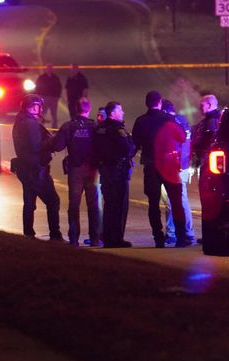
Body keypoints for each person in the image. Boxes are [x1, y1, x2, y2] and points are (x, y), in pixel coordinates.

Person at [131, 91, 187, 248]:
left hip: (150, 166)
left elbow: (134, 144)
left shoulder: (141, 121)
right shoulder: (169, 119)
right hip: (169, 166)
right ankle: (181, 237)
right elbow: (182, 137)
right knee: (176, 203)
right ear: (160, 102)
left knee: (153, 204)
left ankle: (158, 238)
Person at [11, 94, 63, 241]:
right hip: (36, 170)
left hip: (25, 168)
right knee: (53, 201)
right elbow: (35, 146)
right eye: (39, 106)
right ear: (33, 106)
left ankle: (28, 234)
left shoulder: (19, 121)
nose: (41, 109)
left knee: (29, 203)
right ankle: (55, 235)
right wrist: (50, 143)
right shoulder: (31, 123)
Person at [51, 98, 101, 246]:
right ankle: (95, 239)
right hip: (91, 170)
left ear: (75, 109)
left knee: (74, 205)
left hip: (75, 170)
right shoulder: (94, 127)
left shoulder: (68, 127)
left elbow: (58, 146)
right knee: (93, 206)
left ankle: (74, 239)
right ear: (89, 108)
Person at [93, 101, 134, 248]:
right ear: (113, 113)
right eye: (120, 110)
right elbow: (127, 149)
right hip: (118, 171)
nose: (122, 113)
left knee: (109, 204)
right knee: (119, 206)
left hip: (105, 171)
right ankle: (116, 239)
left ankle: (107, 237)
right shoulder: (117, 129)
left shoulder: (99, 129)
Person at [160, 99, 196, 245]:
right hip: (184, 165)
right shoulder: (183, 121)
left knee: (170, 201)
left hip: (172, 166)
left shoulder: (167, 123)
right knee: (182, 199)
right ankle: (188, 231)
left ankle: (172, 232)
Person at [191, 94, 221, 169]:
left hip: (208, 160)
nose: (199, 108)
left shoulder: (214, 121)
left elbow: (208, 141)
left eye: (202, 105)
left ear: (209, 105)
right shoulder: (208, 121)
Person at [35, 63, 62, 128]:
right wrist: (39, 97)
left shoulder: (55, 78)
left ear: (52, 69)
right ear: (46, 69)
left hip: (53, 98)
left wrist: (57, 97)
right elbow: (37, 87)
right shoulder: (41, 78)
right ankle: (41, 128)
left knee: (54, 114)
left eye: (51, 68)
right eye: (48, 68)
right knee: (42, 114)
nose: (49, 70)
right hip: (44, 98)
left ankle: (54, 128)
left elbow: (59, 87)